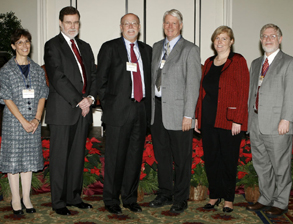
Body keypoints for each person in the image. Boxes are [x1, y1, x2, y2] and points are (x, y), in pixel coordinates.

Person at [96, 13, 152, 214]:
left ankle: (129, 198)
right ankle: (111, 199)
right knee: (115, 158)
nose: (131, 26)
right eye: (127, 24)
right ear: (121, 27)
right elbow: (100, 80)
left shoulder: (147, 50)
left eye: (134, 23)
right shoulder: (109, 48)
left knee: (134, 158)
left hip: (140, 110)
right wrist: (109, 105)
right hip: (117, 112)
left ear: (139, 27)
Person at [44, 6, 96, 215]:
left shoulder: (85, 46)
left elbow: (93, 74)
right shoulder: (52, 46)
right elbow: (57, 78)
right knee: (59, 158)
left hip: (83, 111)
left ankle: (74, 197)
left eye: (75, 22)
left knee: (76, 157)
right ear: (60, 23)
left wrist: (90, 98)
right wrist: (80, 100)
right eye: (68, 22)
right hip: (63, 111)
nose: (72, 26)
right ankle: (58, 202)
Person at [149, 9, 201, 214]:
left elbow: (193, 84)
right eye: (166, 23)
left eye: (174, 23)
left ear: (180, 25)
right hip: (157, 110)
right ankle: (164, 193)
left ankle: (180, 198)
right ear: (163, 25)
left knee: (181, 158)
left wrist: (189, 114)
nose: (170, 26)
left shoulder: (190, 49)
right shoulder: (155, 47)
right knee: (162, 156)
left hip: (180, 113)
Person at [246, 24, 293, 218]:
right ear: (260, 40)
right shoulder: (255, 64)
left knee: (280, 166)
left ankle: (281, 202)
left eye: (272, 36)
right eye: (264, 36)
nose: (268, 39)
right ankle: (266, 198)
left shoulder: (290, 63)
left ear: (280, 38)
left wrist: (287, 119)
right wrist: (248, 120)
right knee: (262, 165)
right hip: (256, 123)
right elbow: (253, 94)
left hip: (278, 125)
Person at [194, 26, 249, 213]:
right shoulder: (209, 62)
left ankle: (228, 199)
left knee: (228, 160)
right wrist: (197, 117)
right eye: (217, 38)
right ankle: (214, 195)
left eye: (224, 38)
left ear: (231, 42)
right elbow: (202, 92)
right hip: (208, 119)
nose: (220, 41)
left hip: (229, 120)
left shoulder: (238, 61)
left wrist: (238, 119)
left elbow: (243, 92)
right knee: (211, 159)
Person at [0, 29, 48, 215]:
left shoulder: (37, 69)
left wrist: (36, 119)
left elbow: (43, 95)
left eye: (27, 41)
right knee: (14, 162)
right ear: (13, 46)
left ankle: (26, 198)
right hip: (14, 123)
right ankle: (15, 199)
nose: (24, 45)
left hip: (33, 123)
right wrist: (23, 121)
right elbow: (6, 98)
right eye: (20, 42)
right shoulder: (5, 71)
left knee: (28, 161)